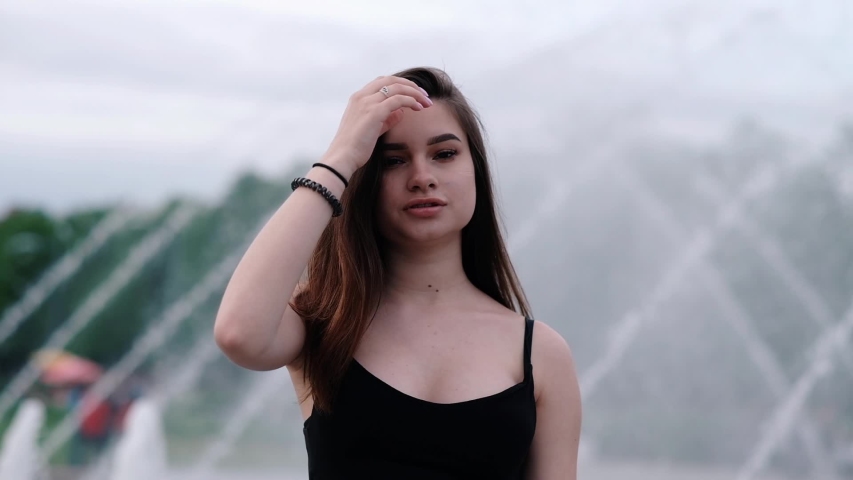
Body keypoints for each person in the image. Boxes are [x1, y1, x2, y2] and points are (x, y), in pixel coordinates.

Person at [214, 66, 582, 479]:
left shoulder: (540, 354)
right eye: (393, 161)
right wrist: (340, 157)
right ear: (365, 180)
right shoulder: (323, 319)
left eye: (444, 154)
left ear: (476, 169)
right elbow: (239, 334)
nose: (422, 178)